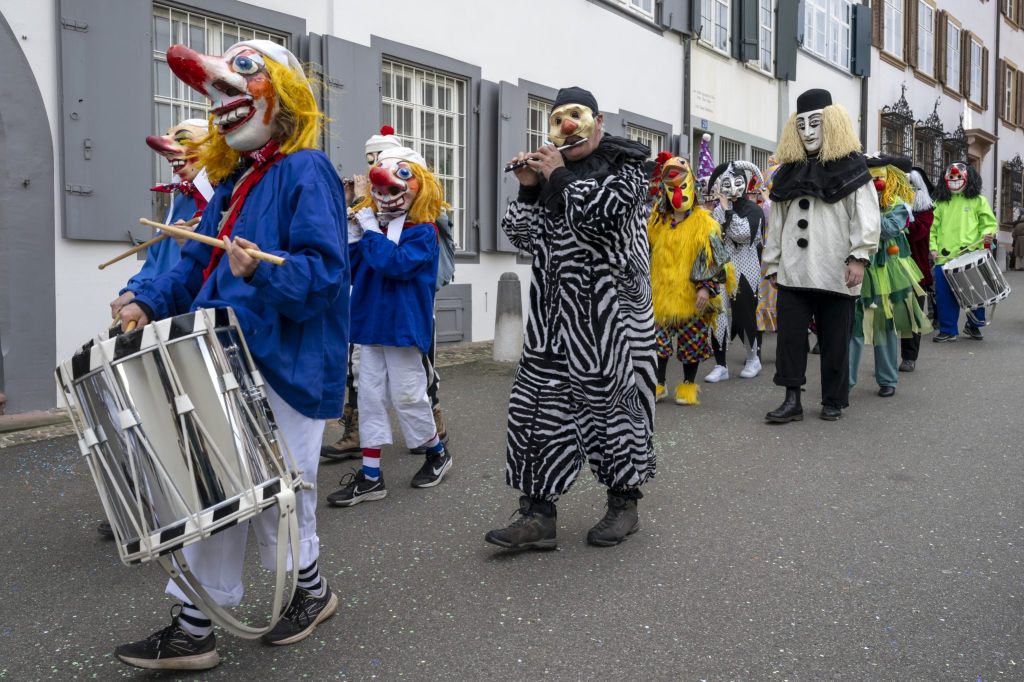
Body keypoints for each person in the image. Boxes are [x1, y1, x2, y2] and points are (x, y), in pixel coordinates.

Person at [113, 40, 348, 669]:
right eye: (217, 91)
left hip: (286, 361)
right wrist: (144, 297)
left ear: (286, 93)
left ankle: (310, 590)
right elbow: (192, 262)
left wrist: (266, 273)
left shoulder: (308, 169)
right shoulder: (235, 183)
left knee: (281, 493)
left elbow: (325, 276)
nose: (223, 98)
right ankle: (195, 625)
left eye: (242, 77)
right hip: (222, 358)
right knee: (216, 492)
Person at [484, 86, 657, 550]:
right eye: (557, 117)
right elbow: (522, 235)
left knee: (614, 413)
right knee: (535, 412)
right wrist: (527, 188)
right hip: (551, 319)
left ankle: (624, 504)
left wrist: (556, 177)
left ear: (598, 122)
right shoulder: (550, 177)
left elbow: (598, 216)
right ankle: (537, 515)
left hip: (611, 321)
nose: (566, 127)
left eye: (576, 116)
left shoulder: (629, 172)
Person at [97, 118, 215, 540]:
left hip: (191, 320)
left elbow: (199, 270)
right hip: (159, 310)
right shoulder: (182, 200)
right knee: (135, 408)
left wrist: (155, 297)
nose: (173, 159)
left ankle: (185, 500)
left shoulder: (218, 198)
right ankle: (150, 498)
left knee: (185, 415)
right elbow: (157, 262)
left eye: (185, 146)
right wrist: (133, 294)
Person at [326, 146, 452, 506]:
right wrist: (353, 229)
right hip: (369, 325)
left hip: (402, 328)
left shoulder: (424, 232)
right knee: (369, 399)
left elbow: (394, 264)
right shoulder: (373, 228)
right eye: (378, 191)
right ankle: (370, 476)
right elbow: (350, 264)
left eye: (393, 190)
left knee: (409, 395)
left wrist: (367, 230)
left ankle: (437, 452)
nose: (382, 197)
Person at [763, 88, 880, 423]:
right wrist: (772, 263)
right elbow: (778, 223)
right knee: (789, 340)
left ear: (831, 124)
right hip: (794, 272)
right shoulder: (787, 173)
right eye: (801, 126)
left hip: (836, 270)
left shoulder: (853, 168)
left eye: (815, 123)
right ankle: (791, 400)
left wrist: (859, 257)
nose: (808, 131)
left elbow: (866, 217)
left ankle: (833, 400)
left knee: (834, 340)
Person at [648, 154, 732, 405]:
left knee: (691, 344)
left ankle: (687, 385)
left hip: (692, 297)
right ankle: (659, 383)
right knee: (658, 344)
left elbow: (714, 259)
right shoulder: (657, 222)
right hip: (662, 295)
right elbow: (647, 251)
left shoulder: (704, 223)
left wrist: (705, 289)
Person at [849, 156, 931, 397]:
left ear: (890, 178)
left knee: (884, 325)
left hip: (888, 272)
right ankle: (846, 381)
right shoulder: (855, 202)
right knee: (852, 326)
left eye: (880, 178)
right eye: (870, 179)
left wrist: (862, 221)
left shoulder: (900, 202)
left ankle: (887, 380)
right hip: (858, 268)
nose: (876, 183)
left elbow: (888, 229)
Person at [707, 160, 766, 380]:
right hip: (720, 269)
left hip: (745, 269)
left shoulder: (754, 210)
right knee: (718, 314)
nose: (732, 187)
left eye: (737, 181)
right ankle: (720, 365)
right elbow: (713, 236)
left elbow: (743, 235)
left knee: (744, 315)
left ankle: (753, 359)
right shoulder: (717, 210)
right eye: (726, 182)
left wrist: (725, 211)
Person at [930, 163, 998, 341]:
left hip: (970, 255)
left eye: (958, 177)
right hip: (945, 258)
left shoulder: (978, 200)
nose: (954, 180)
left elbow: (988, 223)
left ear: (968, 178)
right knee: (944, 295)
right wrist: (933, 248)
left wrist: (987, 235)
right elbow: (933, 228)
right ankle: (948, 330)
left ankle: (974, 325)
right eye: (951, 177)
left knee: (975, 292)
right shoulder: (940, 203)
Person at [899, 167, 936, 371]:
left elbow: (914, 232)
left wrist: (899, 217)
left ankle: (909, 356)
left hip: (916, 271)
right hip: (890, 267)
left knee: (911, 315)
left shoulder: (926, 213)